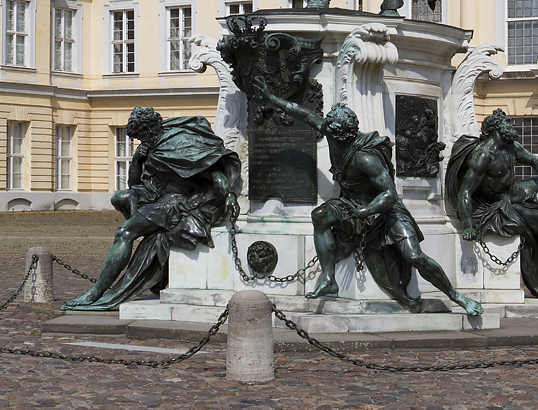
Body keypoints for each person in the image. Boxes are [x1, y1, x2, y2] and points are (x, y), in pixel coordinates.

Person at [255, 78, 483, 316]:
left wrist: (363, 212)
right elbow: (303, 114)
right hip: (352, 203)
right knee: (320, 215)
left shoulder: (365, 158)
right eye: (327, 129)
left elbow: (390, 194)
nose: (327, 133)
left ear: (345, 134)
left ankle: (456, 297)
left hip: (385, 211)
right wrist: (271, 99)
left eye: (333, 131)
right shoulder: (333, 132)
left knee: (414, 255)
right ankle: (330, 279)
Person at [63, 106, 240, 311]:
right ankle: (146, 238)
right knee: (120, 198)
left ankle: (95, 293)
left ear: (148, 129)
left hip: (174, 202)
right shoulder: (152, 146)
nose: (140, 141)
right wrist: (138, 159)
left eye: (140, 136)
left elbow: (214, 174)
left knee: (124, 233)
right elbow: (134, 183)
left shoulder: (179, 144)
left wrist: (228, 194)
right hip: (155, 196)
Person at [445, 108, 538, 303]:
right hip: (498, 206)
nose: (513, 126)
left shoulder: (510, 146)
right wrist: (470, 225)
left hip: (514, 193)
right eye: (508, 123)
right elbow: (465, 192)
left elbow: (535, 161)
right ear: (497, 128)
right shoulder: (483, 156)